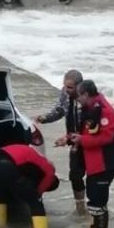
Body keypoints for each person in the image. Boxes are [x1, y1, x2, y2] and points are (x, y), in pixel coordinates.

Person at [69, 80, 114, 228]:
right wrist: (70, 138)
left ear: (86, 94)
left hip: (106, 161)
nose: (77, 99)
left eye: (78, 96)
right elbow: (86, 131)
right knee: (95, 195)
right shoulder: (91, 108)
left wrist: (82, 140)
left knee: (97, 197)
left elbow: (106, 137)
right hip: (95, 160)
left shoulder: (105, 111)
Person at [35, 69, 87, 215]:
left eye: (70, 87)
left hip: (90, 141)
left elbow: (88, 125)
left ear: (80, 86)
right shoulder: (65, 93)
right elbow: (60, 110)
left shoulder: (87, 98)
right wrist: (44, 118)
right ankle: (80, 208)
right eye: (64, 86)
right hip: (75, 141)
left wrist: (67, 138)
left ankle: (97, 208)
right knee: (75, 175)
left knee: (95, 178)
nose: (66, 89)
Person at [0, 144, 59, 228]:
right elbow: (38, 192)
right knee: (35, 201)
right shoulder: (50, 172)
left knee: (2, 188)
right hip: (6, 166)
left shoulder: (37, 158)